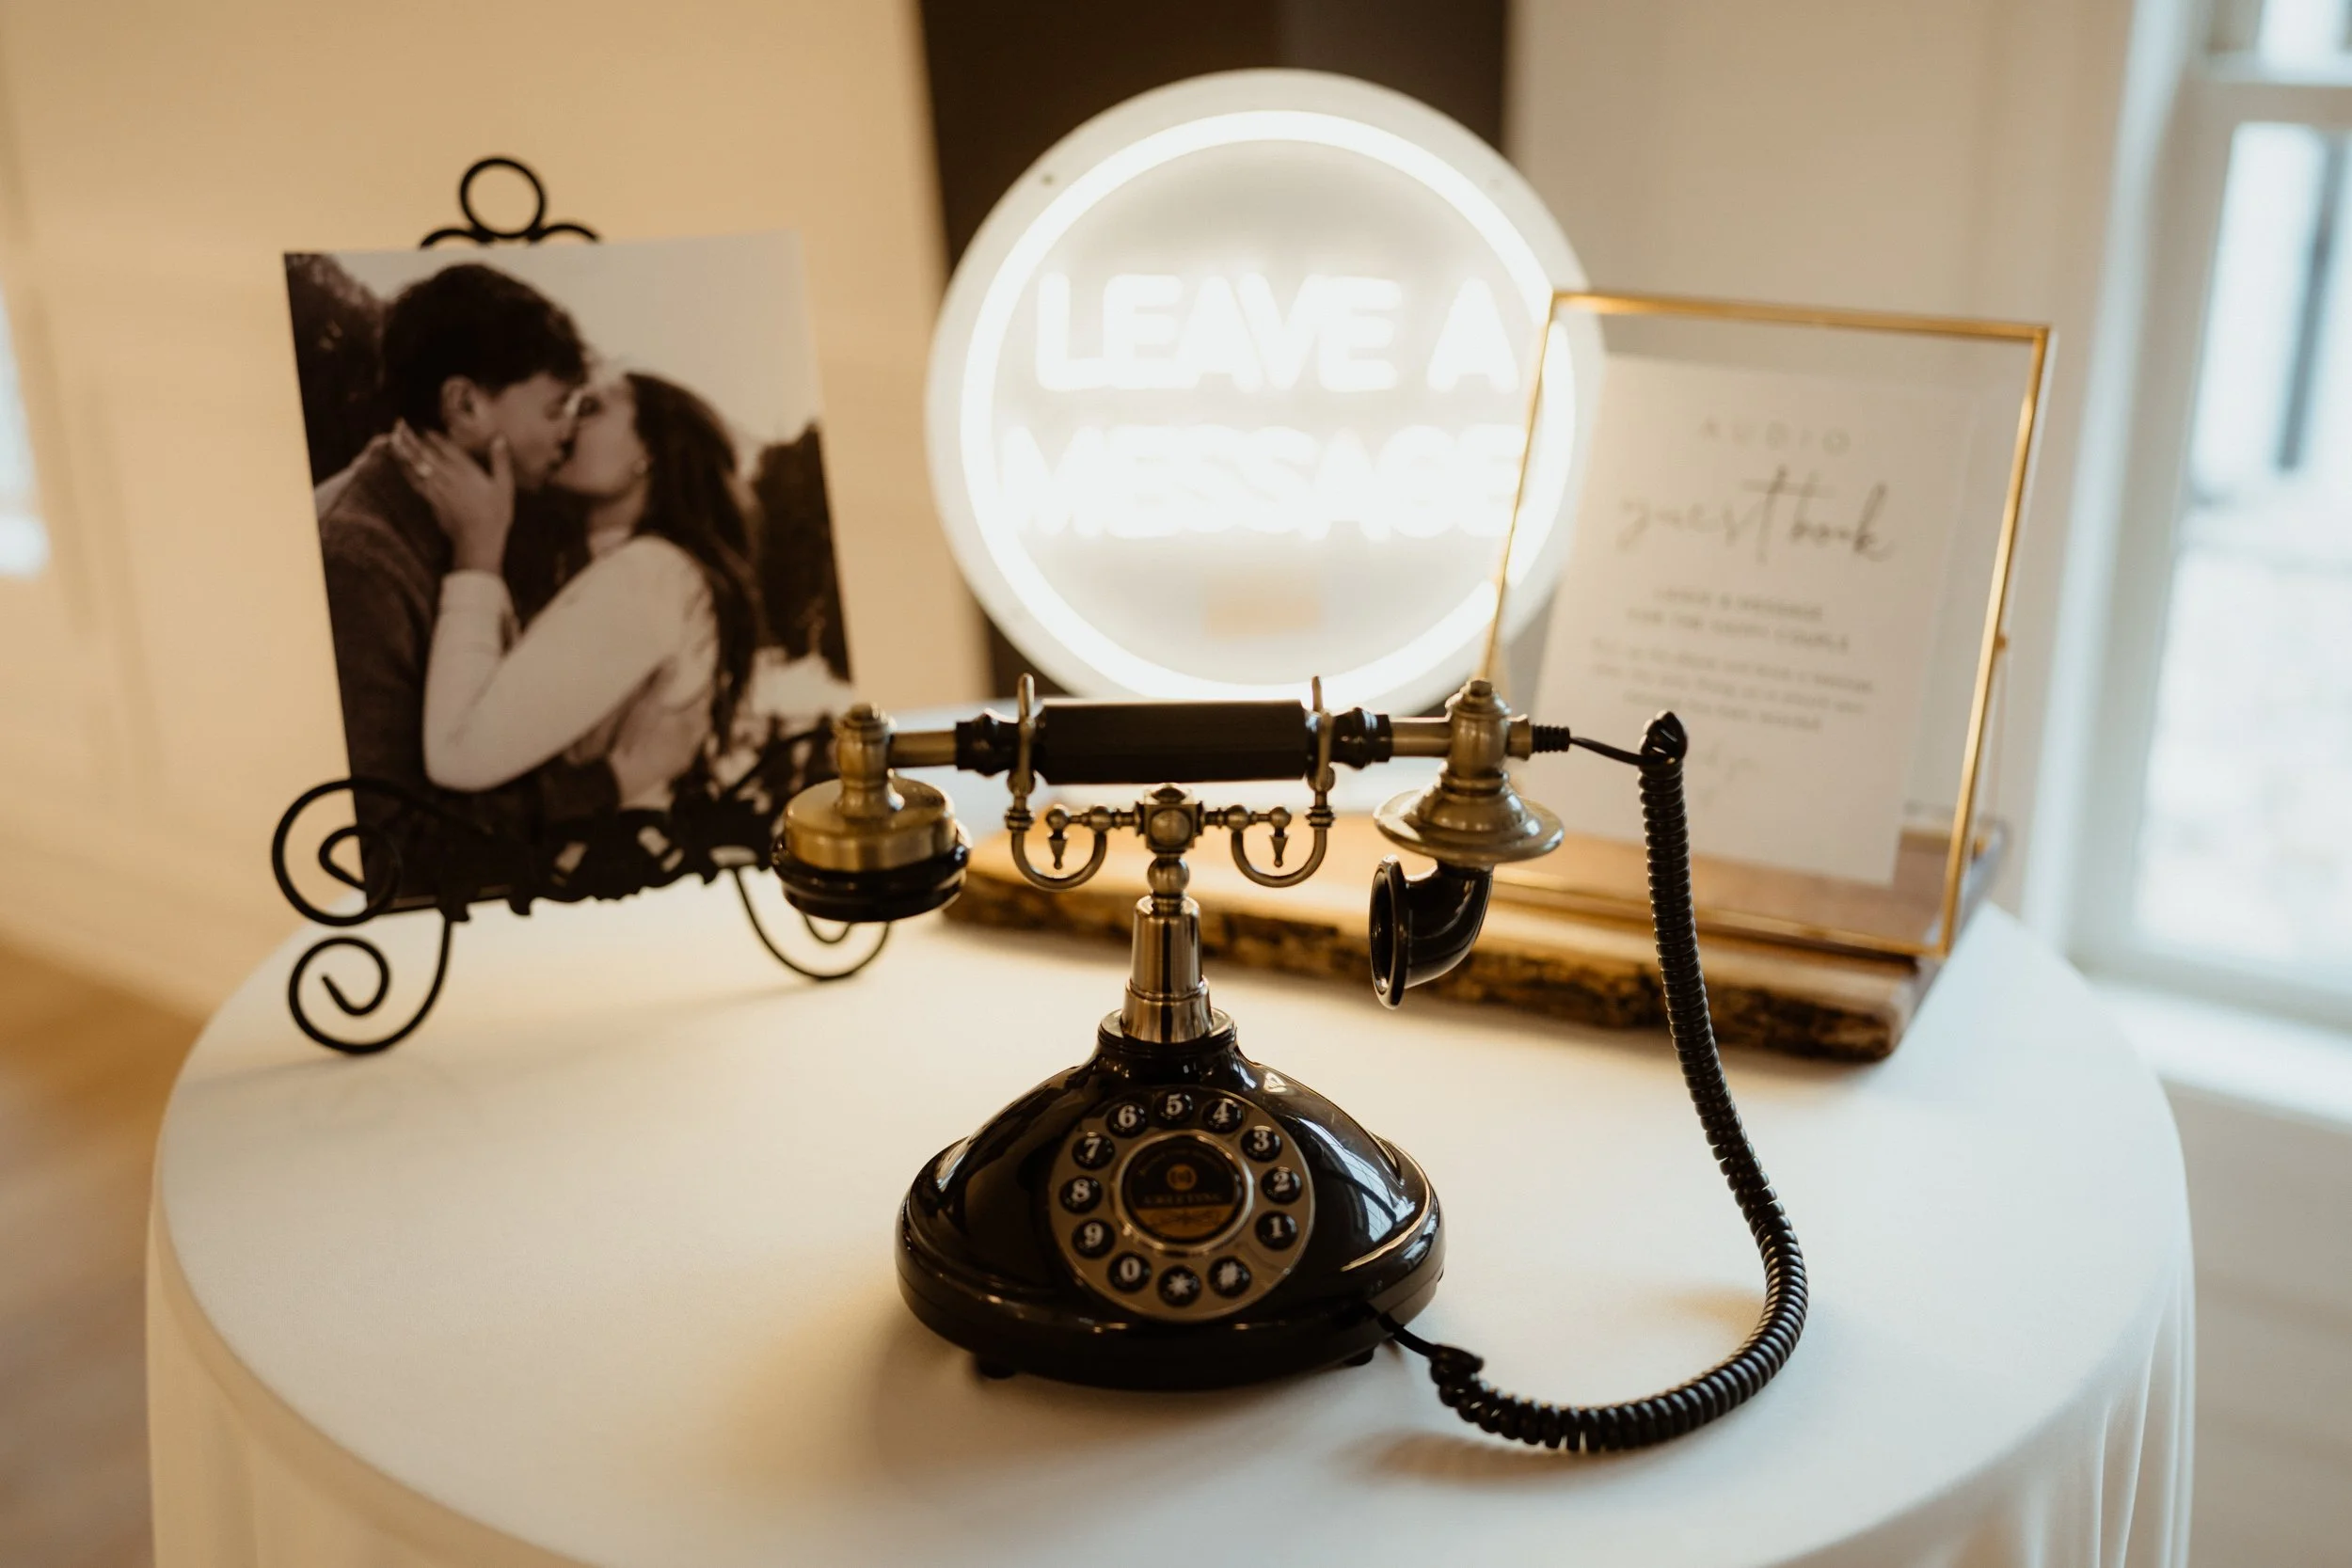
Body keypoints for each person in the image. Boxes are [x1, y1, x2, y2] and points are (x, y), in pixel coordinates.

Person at [313, 264, 700, 900]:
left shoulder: (522, 509)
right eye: (555, 409)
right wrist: (611, 781)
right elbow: (392, 848)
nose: (568, 430)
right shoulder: (358, 561)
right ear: (464, 404)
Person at [397, 371, 760, 812]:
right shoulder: (639, 569)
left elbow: (457, 757)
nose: (565, 425)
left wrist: (476, 555)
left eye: (589, 409)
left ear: (648, 450)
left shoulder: (648, 575)